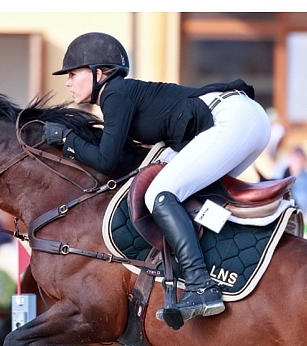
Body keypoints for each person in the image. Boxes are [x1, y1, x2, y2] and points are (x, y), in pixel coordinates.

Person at [46, 32, 271, 323]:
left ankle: (200, 285)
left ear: (98, 73)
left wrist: (67, 140)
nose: (68, 81)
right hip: (245, 121)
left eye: (73, 73)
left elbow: (106, 160)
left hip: (231, 119)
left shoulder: (114, 94)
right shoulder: (120, 96)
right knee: (182, 191)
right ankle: (220, 266)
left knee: (159, 193)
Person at [276, 146, 307, 214]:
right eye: (296, 159)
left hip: (302, 214)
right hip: (285, 213)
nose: (299, 163)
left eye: (301, 160)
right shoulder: (282, 173)